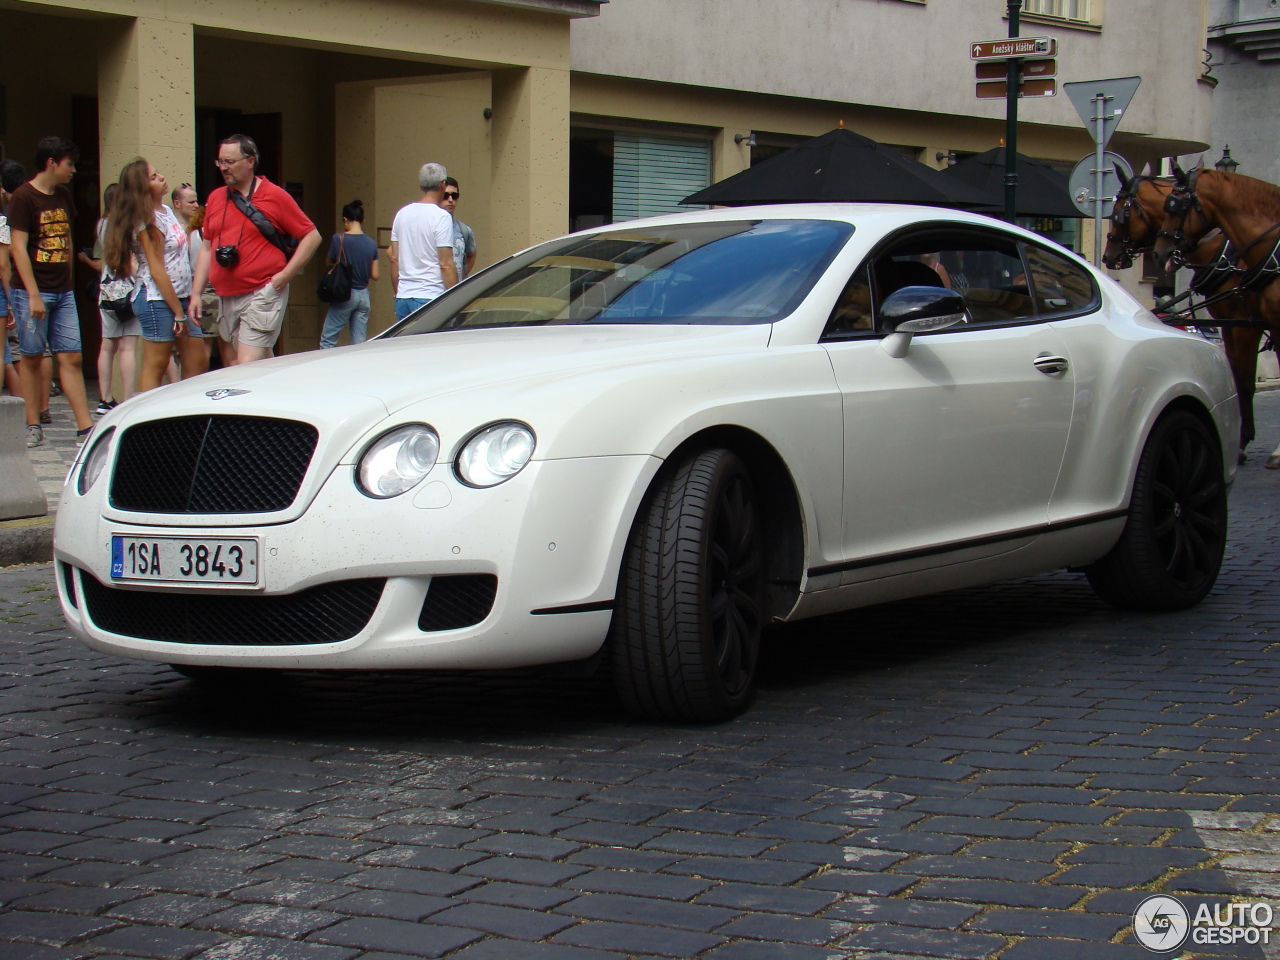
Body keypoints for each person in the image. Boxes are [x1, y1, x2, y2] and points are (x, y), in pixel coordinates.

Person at [189, 133, 320, 365]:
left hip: (263, 291)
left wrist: (283, 277)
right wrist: (197, 293)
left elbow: (312, 236)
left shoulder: (274, 195)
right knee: (261, 365)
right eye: (220, 161)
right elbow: (207, 247)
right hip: (227, 295)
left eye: (230, 162)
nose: (224, 168)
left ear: (250, 161)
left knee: (245, 365)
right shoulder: (216, 198)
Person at [6, 137, 94, 447]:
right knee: (31, 358)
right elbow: (18, 248)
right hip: (32, 291)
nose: (72, 170)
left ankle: (85, 426)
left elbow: (66, 239)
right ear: (52, 162)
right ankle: (33, 423)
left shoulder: (64, 196)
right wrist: (32, 294)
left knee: (71, 357)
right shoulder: (23, 197)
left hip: (63, 291)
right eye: (69, 163)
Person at [105, 158, 195, 393]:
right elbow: (157, 270)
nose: (162, 178)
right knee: (156, 364)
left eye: (159, 174)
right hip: (157, 299)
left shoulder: (165, 210)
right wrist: (178, 313)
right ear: (141, 188)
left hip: (182, 294)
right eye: (153, 177)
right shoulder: (147, 222)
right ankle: (145, 420)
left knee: (197, 361)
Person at [78, 183, 139, 414]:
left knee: (107, 346)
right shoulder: (128, 227)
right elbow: (131, 262)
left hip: (106, 292)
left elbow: (103, 259)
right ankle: (128, 397)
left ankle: (104, 398)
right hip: (128, 291)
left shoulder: (102, 225)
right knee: (128, 347)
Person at [389, 162, 457, 320]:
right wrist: (456, 297)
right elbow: (445, 263)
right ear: (443, 185)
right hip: (431, 295)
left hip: (404, 296)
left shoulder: (402, 214)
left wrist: (398, 291)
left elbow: (394, 259)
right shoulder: (441, 217)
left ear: (420, 186)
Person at [319, 199, 379, 349]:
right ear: (363, 220)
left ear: (345, 220)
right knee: (359, 345)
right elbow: (375, 274)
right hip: (364, 295)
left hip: (345, 294)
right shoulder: (371, 243)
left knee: (328, 340)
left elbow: (329, 263)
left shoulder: (339, 239)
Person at [185, 204, 223, 370]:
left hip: (198, 287)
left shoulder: (191, 235)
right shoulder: (218, 235)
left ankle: (200, 381)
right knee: (229, 348)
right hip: (216, 288)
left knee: (204, 345)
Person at [0, 159, 25, 398]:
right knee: (4, 354)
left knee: (6, 356)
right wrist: (10, 301)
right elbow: (3, 264)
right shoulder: (2, 221)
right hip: (5, 290)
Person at [440, 177, 476, 282]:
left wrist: (461, 276)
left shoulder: (464, 230)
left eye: (454, 196)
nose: (450, 200)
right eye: (446, 196)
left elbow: (472, 253)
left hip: (455, 291)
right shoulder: (428, 227)